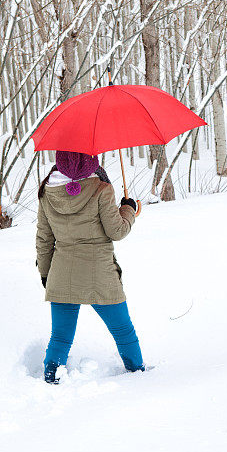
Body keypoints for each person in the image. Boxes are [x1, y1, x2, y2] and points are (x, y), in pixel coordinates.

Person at [35, 150, 143, 384]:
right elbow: (117, 231)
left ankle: (50, 379)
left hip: (62, 273)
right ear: (91, 159)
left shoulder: (47, 192)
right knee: (123, 330)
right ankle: (139, 376)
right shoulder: (101, 189)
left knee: (61, 336)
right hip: (100, 274)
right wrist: (129, 210)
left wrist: (45, 274)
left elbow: (44, 240)